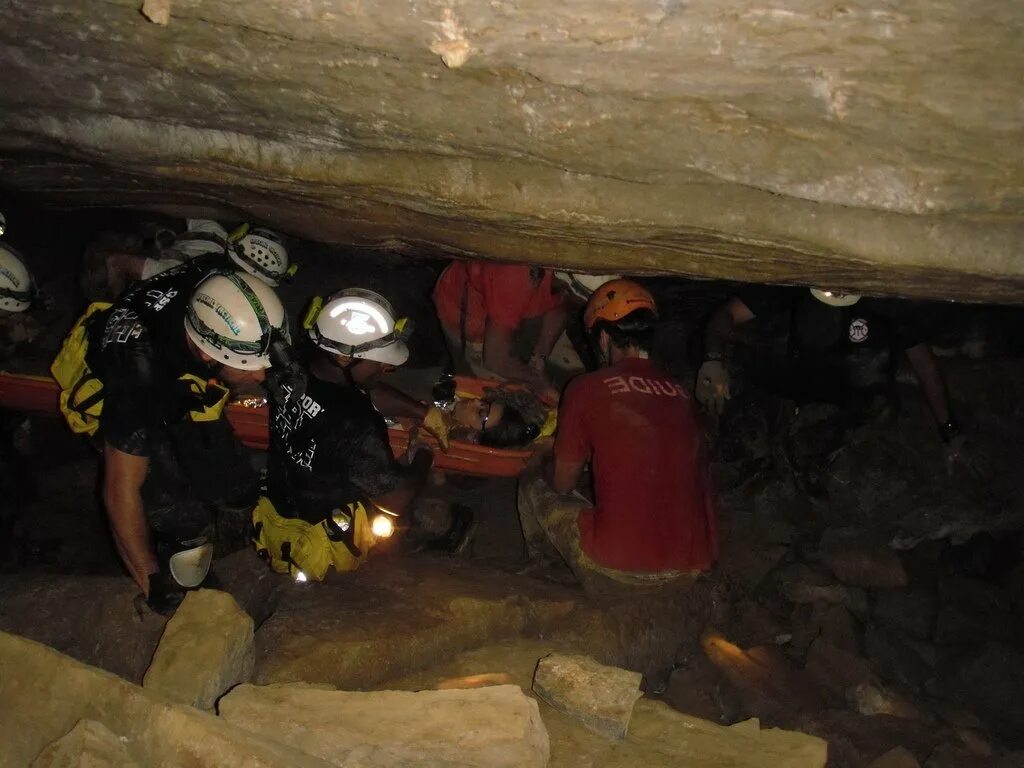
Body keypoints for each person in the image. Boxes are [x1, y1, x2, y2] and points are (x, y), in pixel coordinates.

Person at [52, 267, 289, 614]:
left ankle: (234, 517)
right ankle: (183, 564)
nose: (260, 376)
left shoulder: (224, 291)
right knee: (178, 508)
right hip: (128, 388)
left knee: (231, 482)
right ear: (209, 354)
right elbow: (121, 488)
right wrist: (150, 579)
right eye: (249, 366)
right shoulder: (137, 379)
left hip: (182, 375)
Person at [518, 279, 717, 596]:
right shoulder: (682, 394)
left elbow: (562, 483)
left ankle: (546, 577)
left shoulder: (587, 387)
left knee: (533, 481)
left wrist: (543, 457)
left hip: (621, 568)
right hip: (691, 566)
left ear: (606, 337)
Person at [252, 288, 445, 580]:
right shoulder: (356, 426)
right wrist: (423, 458)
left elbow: (359, 388)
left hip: (277, 510)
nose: (386, 367)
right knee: (423, 515)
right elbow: (396, 498)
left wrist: (421, 411)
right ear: (344, 360)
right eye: (379, 361)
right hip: (324, 544)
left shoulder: (295, 366)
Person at [695, 286, 974, 476]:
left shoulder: (887, 304)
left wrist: (950, 433)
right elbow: (725, 315)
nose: (837, 290)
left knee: (876, 411)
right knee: (741, 377)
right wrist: (712, 360)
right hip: (794, 374)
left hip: (854, 391)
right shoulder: (793, 286)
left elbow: (925, 365)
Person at [432, 260, 565, 397]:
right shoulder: (513, 275)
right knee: (488, 394)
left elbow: (561, 305)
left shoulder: (563, 271)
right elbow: (495, 359)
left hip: (510, 299)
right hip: (468, 314)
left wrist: (539, 360)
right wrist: (538, 382)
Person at [82, 220, 291, 299]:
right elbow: (115, 261)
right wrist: (111, 305)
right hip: (121, 247)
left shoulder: (214, 232)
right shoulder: (182, 275)